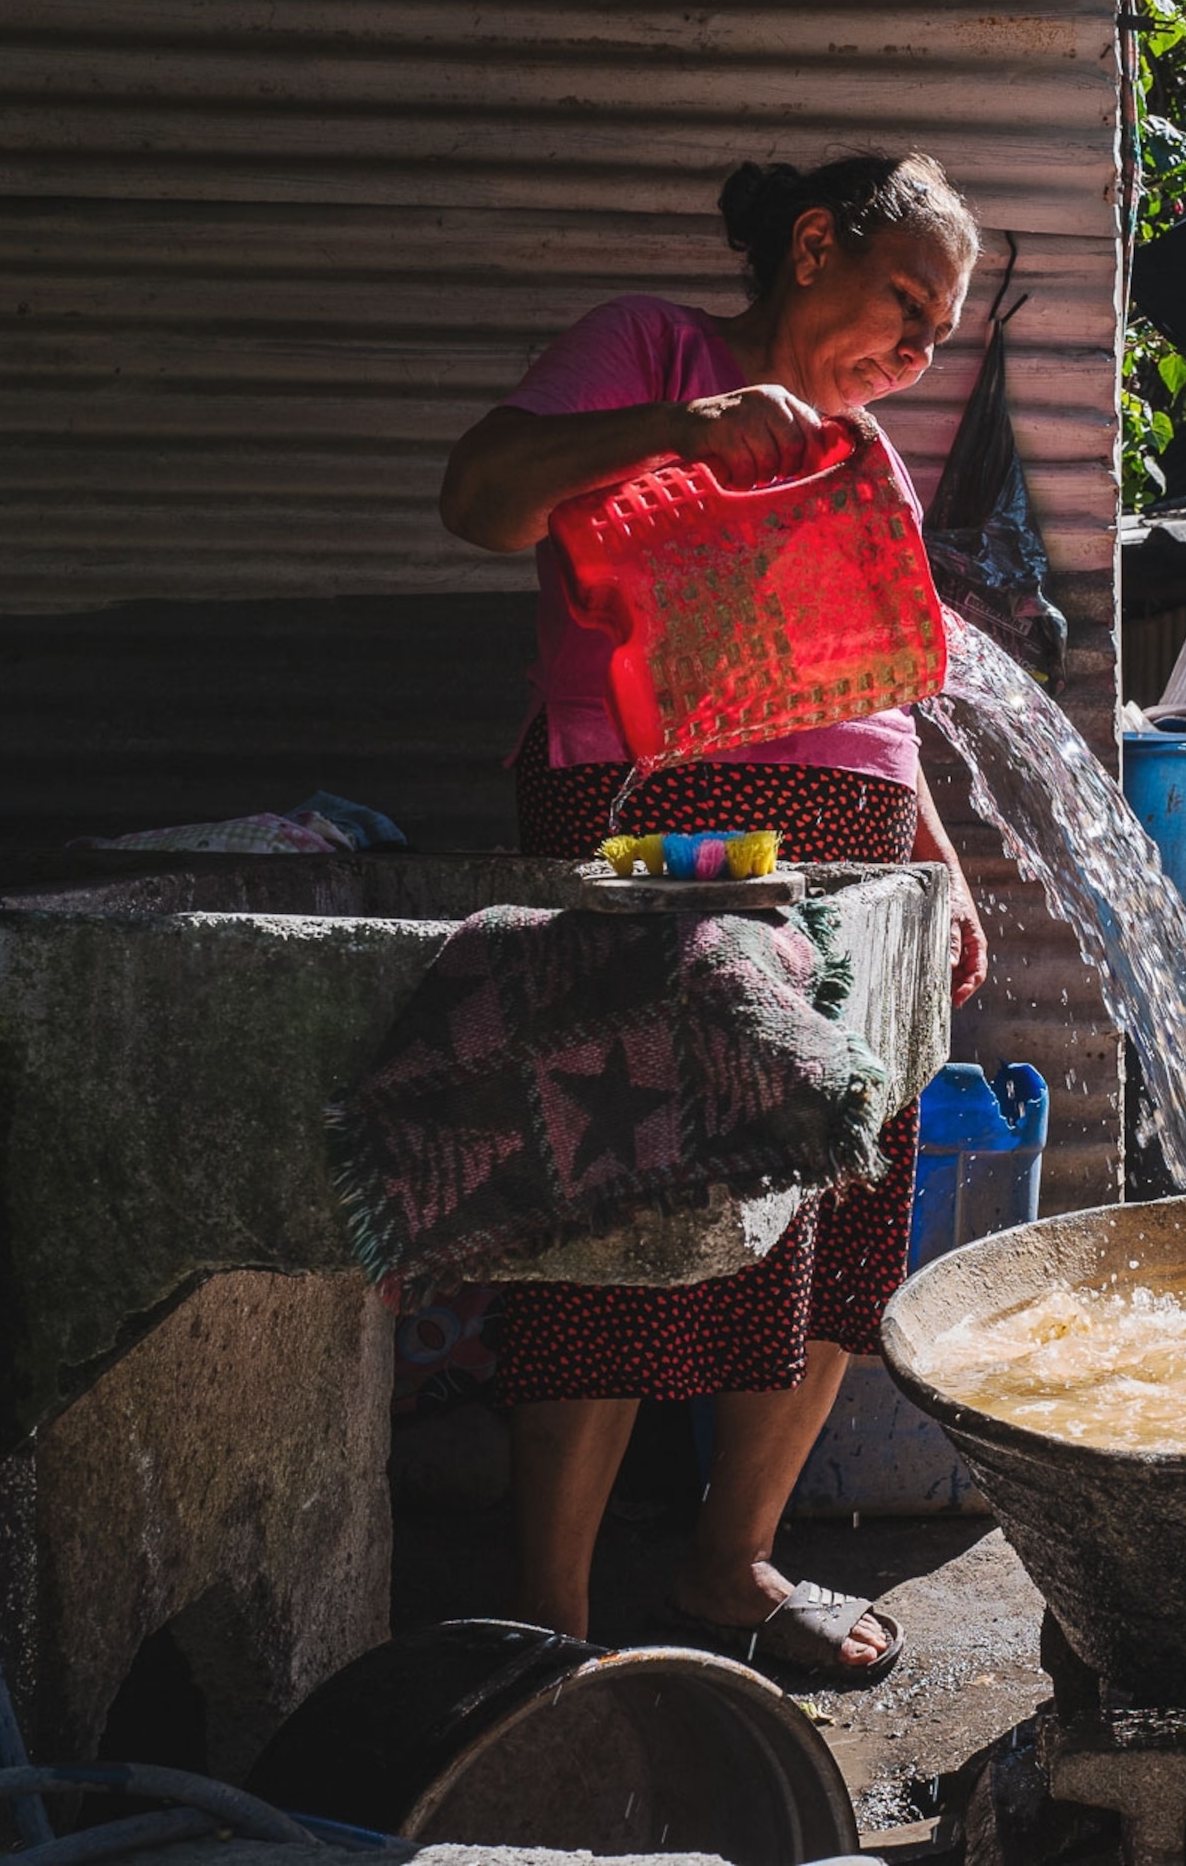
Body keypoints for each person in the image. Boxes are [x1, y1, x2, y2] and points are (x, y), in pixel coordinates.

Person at [437, 152, 990, 1681]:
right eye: (906, 303)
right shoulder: (654, 353)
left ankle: (729, 1565)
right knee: (606, 1196)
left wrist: (929, 855)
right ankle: (545, 1618)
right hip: (657, 835)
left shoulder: (862, 451)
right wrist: (682, 431)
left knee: (834, 1211)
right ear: (813, 246)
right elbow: (478, 500)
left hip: (855, 854)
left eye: (941, 334)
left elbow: (883, 691)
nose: (919, 348)